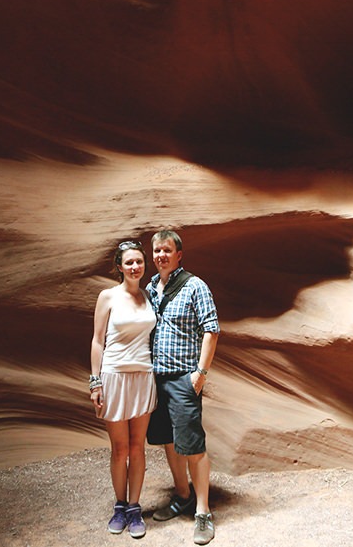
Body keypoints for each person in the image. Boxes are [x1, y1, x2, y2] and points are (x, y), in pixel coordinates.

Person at [146, 229, 220, 545]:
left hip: (183, 378)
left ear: (179, 254)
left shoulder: (194, 286)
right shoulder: (150, 288)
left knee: (192, 443)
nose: (161, 255)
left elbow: (212, 329)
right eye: (157, 251)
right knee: (167, 439)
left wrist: (200, 373)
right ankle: (182, 494)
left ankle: (203, 511)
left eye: (167, 250)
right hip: (156, 377)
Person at [89, 240, 158, 539]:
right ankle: (119, 505)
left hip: (143, 376)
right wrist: (95, 381)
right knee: (119, 449)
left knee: (137, 447)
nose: (135, 267)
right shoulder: (108, 296)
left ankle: (134, 507)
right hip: (115, 375)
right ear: (119, 266)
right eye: (129, 262)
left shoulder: (149, 296)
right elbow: (98, 341)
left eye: (139, 262)